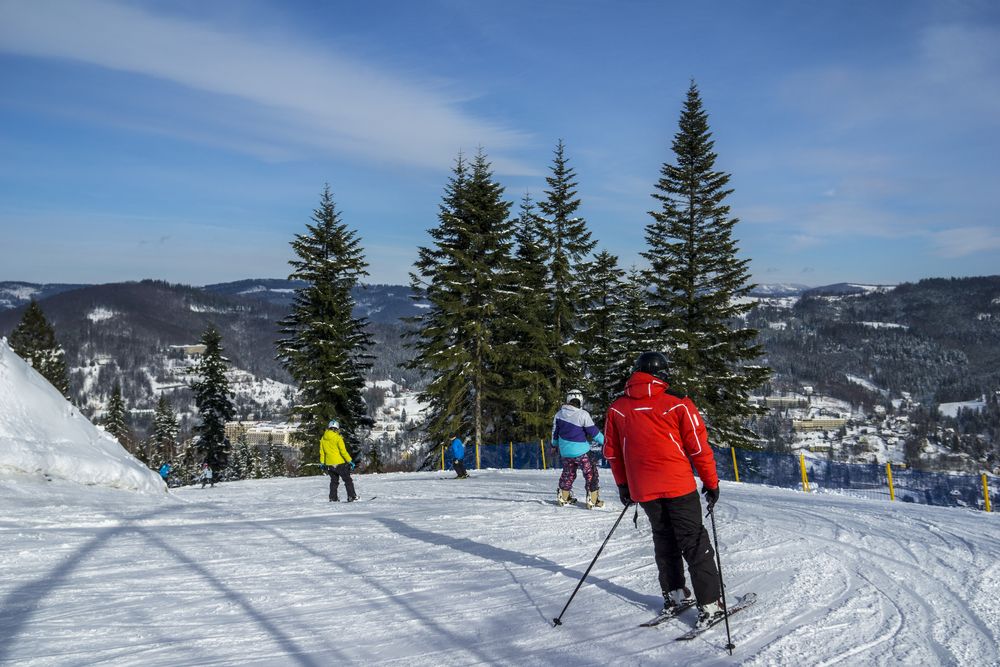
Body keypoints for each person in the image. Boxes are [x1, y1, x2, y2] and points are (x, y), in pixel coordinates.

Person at [603, 352, 724, 629]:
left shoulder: (618, 408)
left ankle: (674, 595)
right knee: (693, 541)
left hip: (643, 489)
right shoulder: (677, 403)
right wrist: (711, 482)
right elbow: (698, 447)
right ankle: (709, 603)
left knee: (664, 540)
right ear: (663, 375)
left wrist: (624, 485)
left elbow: (613, 453)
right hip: (678, 484)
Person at [551, 389, 605, 508]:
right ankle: (592, 498)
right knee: (591, 472)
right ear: (580, 400)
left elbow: (555, 432)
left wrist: (554, 445)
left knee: (568, 473)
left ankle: (563, 497)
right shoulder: (582, 414)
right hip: (581, 452)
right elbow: (594, 432)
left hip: (565, 452)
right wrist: (606, 442)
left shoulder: (559, 414)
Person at [320, 419, 357, 501]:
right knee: (347, 480)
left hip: (329, 464)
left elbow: (322, 453)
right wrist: (350, 461)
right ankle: (352, 496)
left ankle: (333, 498)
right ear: (337, 428)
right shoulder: (338, 438)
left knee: (334, 481)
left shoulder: (323, 438)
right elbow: (343, 452)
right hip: (339, 463)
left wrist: (322, 463)